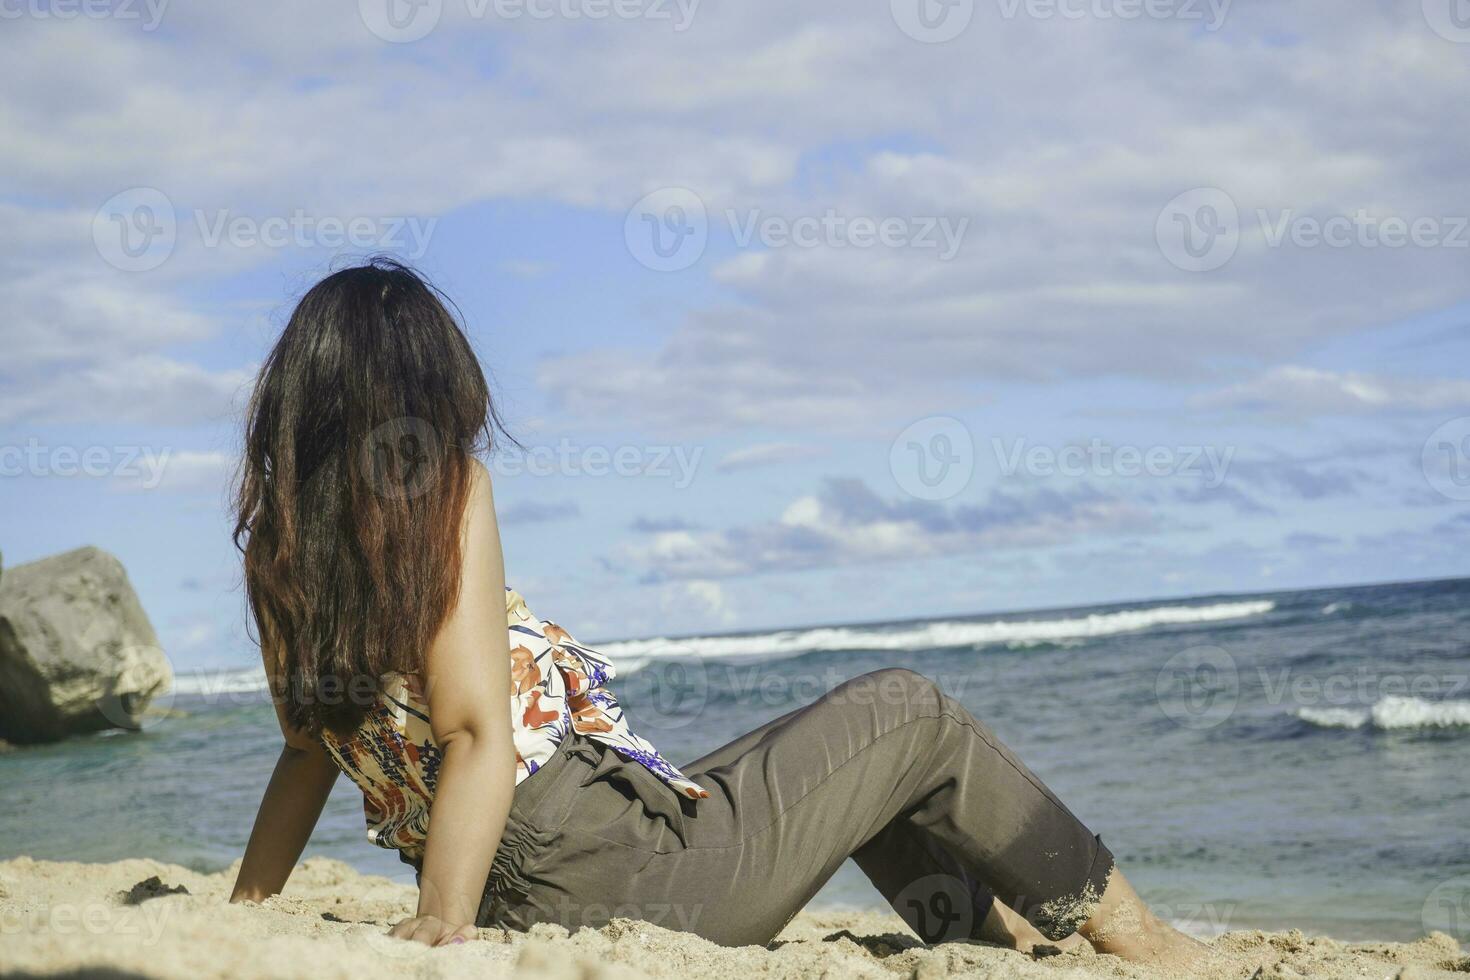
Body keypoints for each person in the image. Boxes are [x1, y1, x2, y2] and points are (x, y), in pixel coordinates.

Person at [227, 259, 1206, 967]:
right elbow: (479, 728)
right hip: (610, 871)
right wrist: (442, 926)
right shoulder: (447, 491)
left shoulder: (282, 552)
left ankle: (1001, 946)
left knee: (853, 768)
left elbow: (308, 750)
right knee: (911, 711)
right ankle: (1140, 936)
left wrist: (247, 909)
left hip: (537, 873)